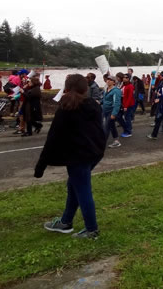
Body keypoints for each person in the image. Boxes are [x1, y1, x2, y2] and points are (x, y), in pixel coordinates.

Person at [36, 74, 106, 239]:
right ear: (85, 88)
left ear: (66, 88)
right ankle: (66, 222)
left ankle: (92, 230)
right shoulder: (94, 105)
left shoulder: (66, 107)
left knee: (82, 190)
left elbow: (53, 138)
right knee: (74, 185)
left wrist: (41, 165)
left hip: (77, 156)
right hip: (94, 153)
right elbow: (99, 131)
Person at [102, 74, 122, 148]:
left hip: (111, 111)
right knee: (112, 126)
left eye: (110, 80)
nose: (108, 81)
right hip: (105, 111)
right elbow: (104, 99)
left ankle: (101, 144)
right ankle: (116, 141)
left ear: (114, 82)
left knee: (106, 127)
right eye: (107, 79)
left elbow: (117, 103)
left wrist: (114, 113)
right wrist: (99, 102)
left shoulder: (116, 91)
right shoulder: (106, 89)